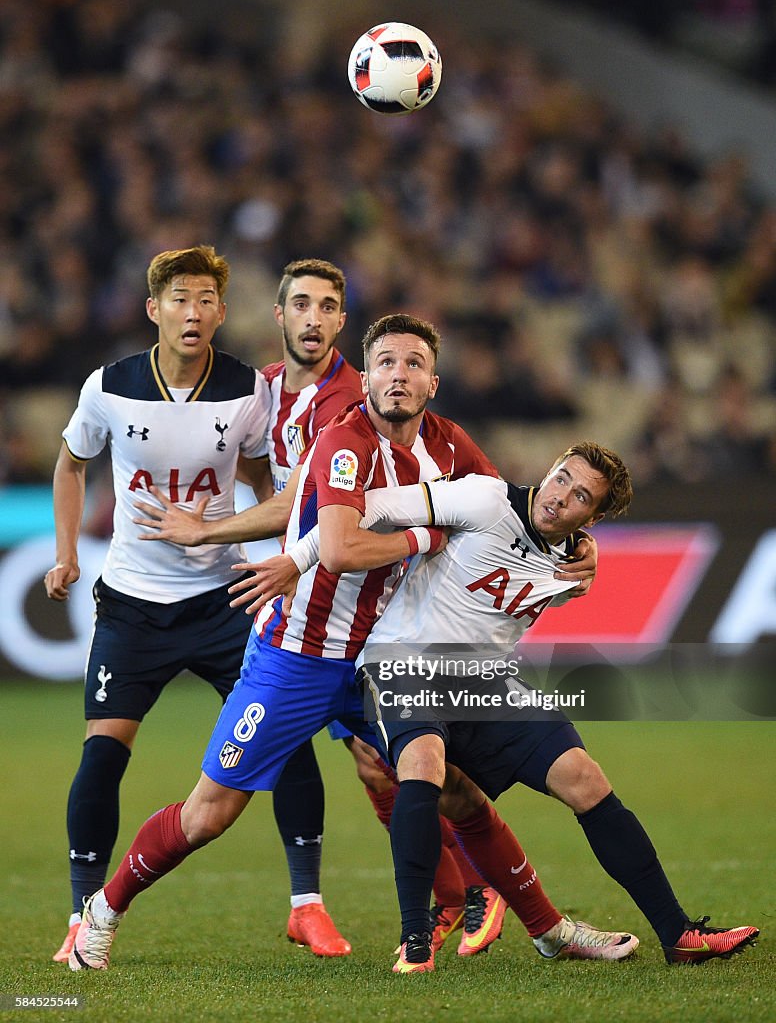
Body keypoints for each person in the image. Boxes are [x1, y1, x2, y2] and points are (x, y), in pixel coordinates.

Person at [66, 314, 634, 974]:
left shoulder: (451, 447)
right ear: (367, 379)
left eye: (414, 364)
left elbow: (517, 509)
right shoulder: (345, 441)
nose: (400, 374)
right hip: (299, 657)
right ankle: (103, 913)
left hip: (383, 658)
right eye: (387, 363)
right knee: (210, 813)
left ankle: (548, 927)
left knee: (454, 789)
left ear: (432, 381)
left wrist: (577, 547)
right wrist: (426, 538)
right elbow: (340, 550)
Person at [133, 257, 509, 956]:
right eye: (300, 303)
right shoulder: (265, 389)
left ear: (342, 322)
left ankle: (467, 892)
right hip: (300, 602)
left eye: (328, 306)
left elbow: (301, 500)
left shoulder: (350, 405)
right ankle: (438, 895)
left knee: (398, 760)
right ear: (279, 315)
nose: (312, 317)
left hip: (358, 608)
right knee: (373, 763)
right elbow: (268, 472)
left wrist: (211, 528)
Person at [290, 441, 757, 971]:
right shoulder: (484, 500)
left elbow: (554, 573)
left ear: (595, 517)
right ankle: (415, 942)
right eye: (561, 477)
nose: (560, 497)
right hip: (402, 664)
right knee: (423, 767)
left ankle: (678, 935)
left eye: (580, 495)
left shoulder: (572, 566)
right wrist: (297, 558)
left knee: (585, 779)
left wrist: (587, 557)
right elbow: (372, 507)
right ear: (549, 467)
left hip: (485, 681)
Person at [44, 246, 347, 964]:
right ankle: (80, 912)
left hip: (222, 598)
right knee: (103, 753)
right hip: (133, 605)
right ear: (155, 309)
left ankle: (308, 905)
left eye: (208, 298)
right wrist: (66, 554)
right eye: (180, 297)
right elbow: (70, 462)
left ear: (220, 310)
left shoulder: (248, 390)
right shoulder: (109, 387)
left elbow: (267, 477)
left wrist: (275, 544)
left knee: (287, 734)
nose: (194, 311)